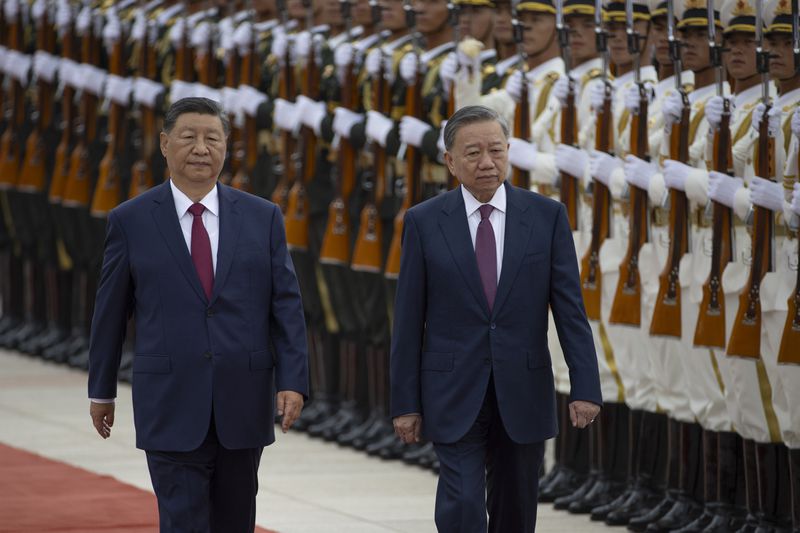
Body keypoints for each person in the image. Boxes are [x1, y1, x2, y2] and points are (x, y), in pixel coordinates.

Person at [87, 97, 309, 533]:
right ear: (165, 144)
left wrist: (293, 380)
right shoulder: (131, 220)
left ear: (227, 147)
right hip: (169, 399)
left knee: (235, 521)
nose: (201, 148)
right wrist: (102, 390)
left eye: (213, 138)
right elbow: (110, 313)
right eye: (188, 138)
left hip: (243, 400)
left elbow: (286, 304)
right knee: (182, 521)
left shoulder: (262, 217)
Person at [390, 104, 602, 532]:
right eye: (472, 153)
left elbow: (570, 311)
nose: (486, 162)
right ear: (450, 161)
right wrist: (405, 403)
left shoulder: (546, 217)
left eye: (496, 150)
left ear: (509, 152)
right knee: (463, 505)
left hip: (522, 388)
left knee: (516, 510)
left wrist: (586, 386)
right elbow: (408, 322)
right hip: (452, 389)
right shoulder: (424, 222)